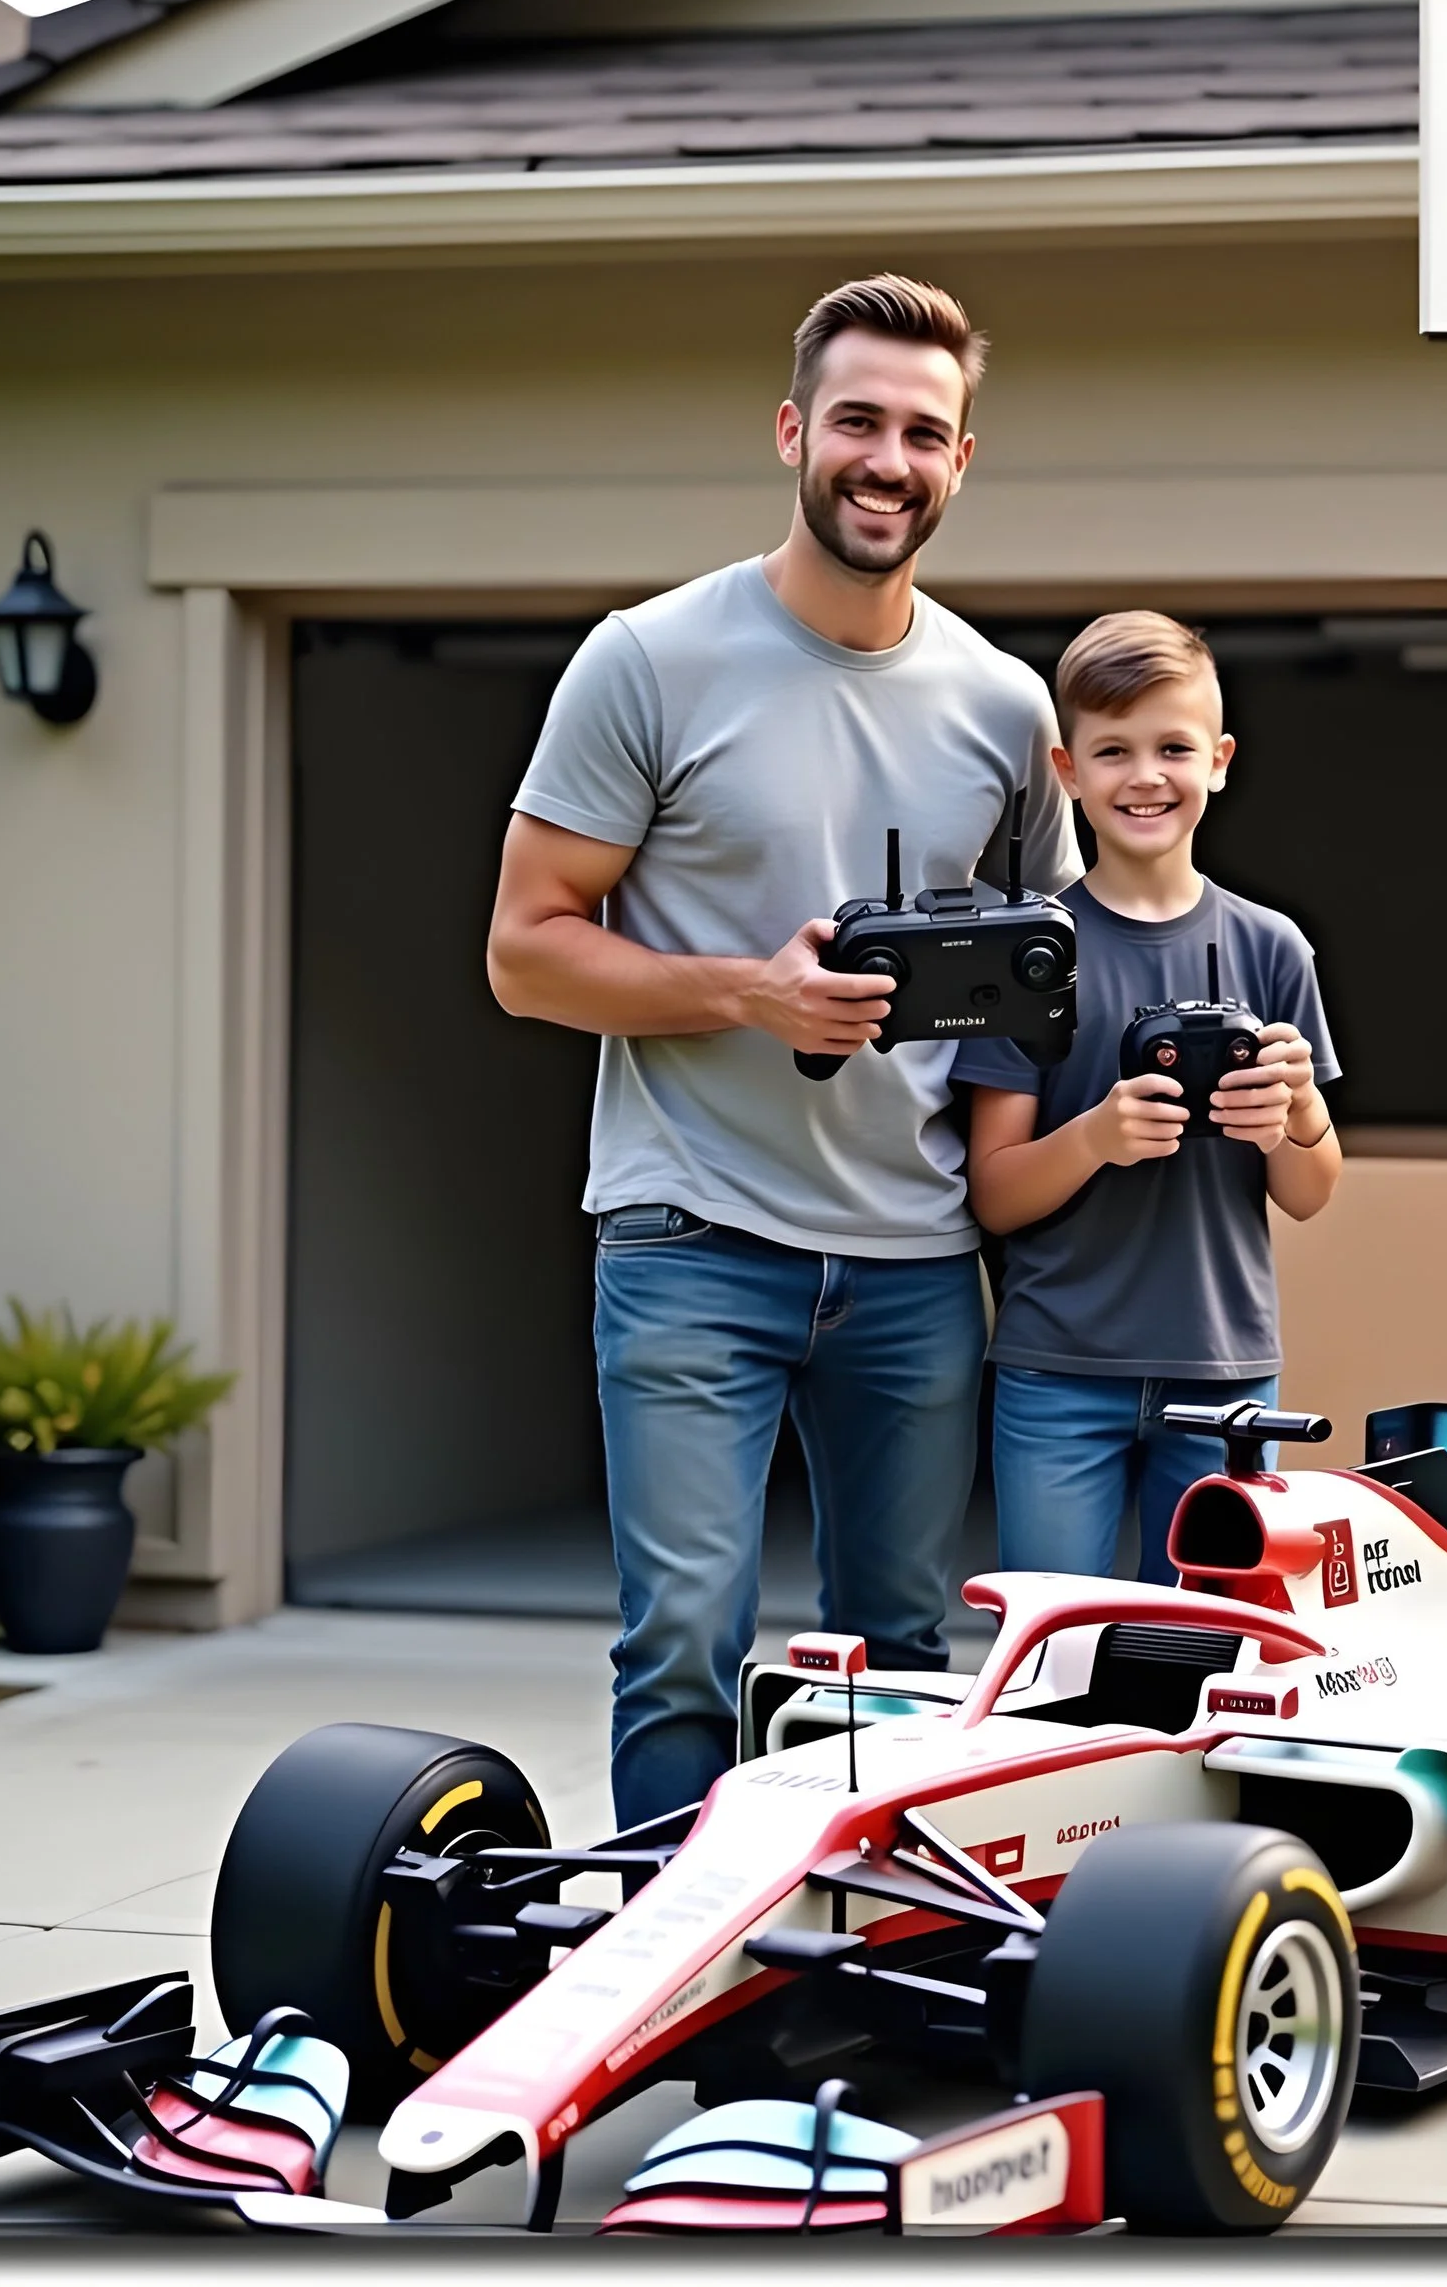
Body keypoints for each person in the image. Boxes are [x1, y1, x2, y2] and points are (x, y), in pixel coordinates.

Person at [487, 275, 1083, 1828]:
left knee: (906, 1654)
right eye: (860, 421)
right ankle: (665, 1983)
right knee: (685, 1645)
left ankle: (868, 1955)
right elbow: (526, 948)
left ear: (964, 461)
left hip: (913, 1257)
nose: (889, 459)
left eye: (924, 433)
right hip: (691, 1233)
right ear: (791, 431)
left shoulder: (1007, 710)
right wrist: (750, 995)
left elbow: (1050, 983)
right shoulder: (648, 658)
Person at [953, 612, 1342, 1586]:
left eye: (1173, 747)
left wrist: (1294, 1115)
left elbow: (1309, 1189)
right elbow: (993, 1193)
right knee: (1052, 1649)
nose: (1145, 775)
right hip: (1056, 1368)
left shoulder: (1272, 948)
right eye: (1112, 750)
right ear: (1067, 769)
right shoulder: (1029, 956)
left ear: (1218, 760)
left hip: (1223, 1370)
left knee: (1212, 1651)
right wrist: (1094, 1135)